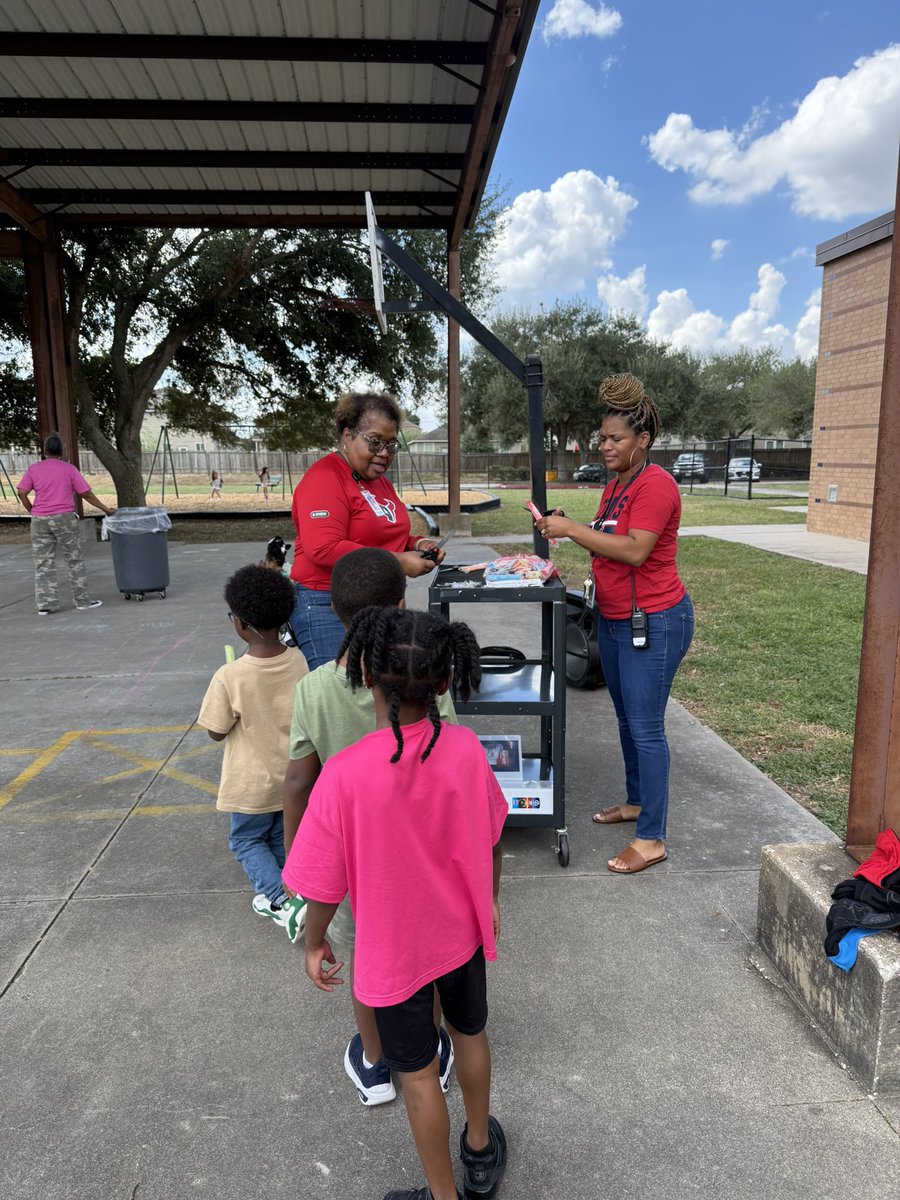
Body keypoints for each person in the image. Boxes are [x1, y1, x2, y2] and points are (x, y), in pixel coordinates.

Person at [283, 607, 508, 1200]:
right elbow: (491, 836)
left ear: (362, 671)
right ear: (442, 682)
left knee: (418, 1076)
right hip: (461, 933)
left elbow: (323, 884)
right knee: (471, 1034)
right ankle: (480, 1151)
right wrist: (491, 905)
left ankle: (443, 1196)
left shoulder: (345, 774)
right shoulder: (463, 749)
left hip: (393, 953)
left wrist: (313, 942)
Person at [283, 548, 458, 1109]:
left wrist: (297, 861)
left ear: (332, 610)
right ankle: (429, 1049)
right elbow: (447, 751)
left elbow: (297, 783)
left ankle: (379, 1061)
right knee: (428, 960)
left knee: (367, 958)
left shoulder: (314, 688)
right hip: (425, 850)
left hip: (357, 859)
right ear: (402, 605)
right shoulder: (426, 676)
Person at [537, 373, 694, 875]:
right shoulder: (617, 485)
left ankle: (651, 838)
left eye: (615, 439)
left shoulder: (656, 485)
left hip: (656, 621)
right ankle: (635, 802)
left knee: (647, 728)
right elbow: (608, 533)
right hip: (616, 619)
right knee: (627, 720)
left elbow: (634, 549)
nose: (604, 446)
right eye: (602, 438)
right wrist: (571, 523)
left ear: (642, 440)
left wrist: (573, 530)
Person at [288, 391, 445, 670]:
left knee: (379, 696)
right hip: (328, 605)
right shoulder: (325, 479)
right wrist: (396, 561)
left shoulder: (377, 481)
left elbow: (383, 534)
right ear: (348, 436)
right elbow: (323, 548)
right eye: (374, 442)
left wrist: (416, 544)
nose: (384, 453)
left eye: (391, 444)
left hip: (379, 604)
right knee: (345, 698)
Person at [198, 564, 309, 940]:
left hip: (251, 785)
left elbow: (215, 731)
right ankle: (294, 891)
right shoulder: (297, 659)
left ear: (240, 625)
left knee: (246, 840)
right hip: (291, 777)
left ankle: (279, 899)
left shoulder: (230, 676)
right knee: (279, 838)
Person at [16, 432, 114, 616]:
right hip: (64, 518)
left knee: (43, 562)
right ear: (62, 451)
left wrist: (32, 510)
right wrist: (105, 509)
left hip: (39, 520)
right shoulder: (69, 469)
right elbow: (86, 494)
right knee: (74, 559)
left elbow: (22, 492)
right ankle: (82, 601)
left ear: (44, 450)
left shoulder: (33, 469)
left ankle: (45, 604)